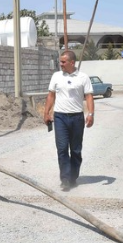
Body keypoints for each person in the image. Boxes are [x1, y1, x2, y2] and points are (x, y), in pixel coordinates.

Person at [43, 50, 94, 191]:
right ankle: (65, 179)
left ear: (72, 62)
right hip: (60, 117)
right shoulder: (56, 76)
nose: (61, 64)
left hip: (77, 117)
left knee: (76, 150)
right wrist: (46, 112)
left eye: (63, 62)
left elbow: (89, 96)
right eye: (60, 61)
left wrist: (90, 114)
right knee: (62, 148)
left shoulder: (83, 77)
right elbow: (51, 95)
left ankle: (73, 177)